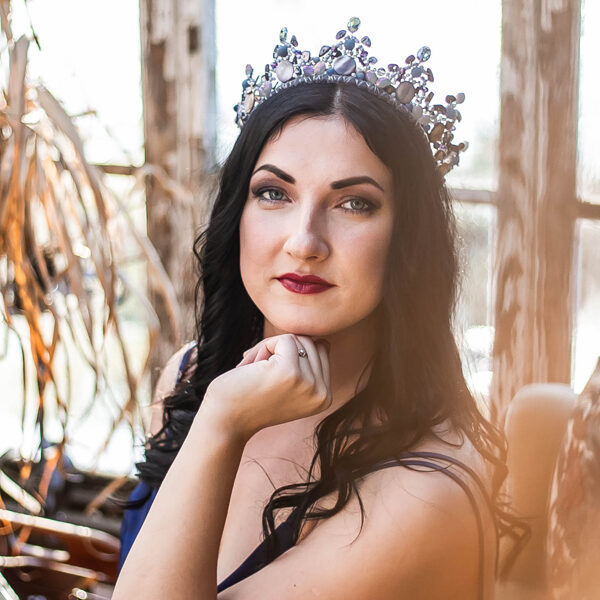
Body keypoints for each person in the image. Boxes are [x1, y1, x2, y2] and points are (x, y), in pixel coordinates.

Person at [114, 17, 522, 599]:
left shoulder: (424, 493)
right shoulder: (189, 376)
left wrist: (223, 422)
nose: (305, 241)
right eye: (273, 193)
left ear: (408, 239)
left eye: (354, 203)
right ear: (237, 215)